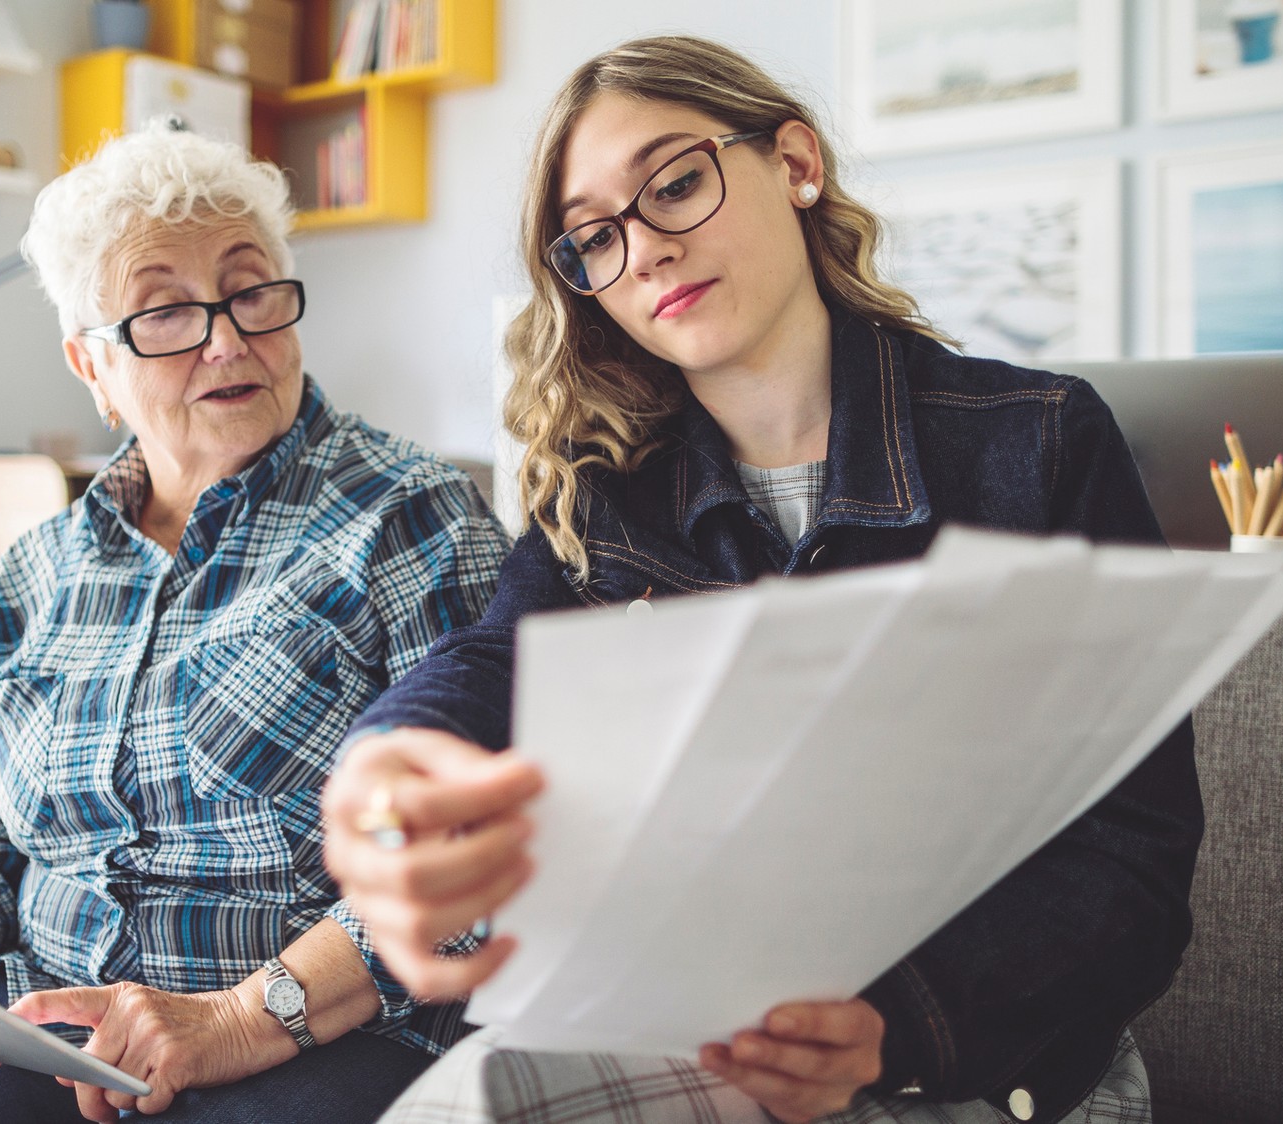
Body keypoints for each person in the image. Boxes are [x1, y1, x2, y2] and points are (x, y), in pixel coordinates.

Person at [321, 35, 1202, 1124]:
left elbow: (1132, 857)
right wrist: (387, 758)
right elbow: (500, 659)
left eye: (673, 184)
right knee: (484, 1091)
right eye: (596, 236)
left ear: (794, 164)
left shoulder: (1038, 441)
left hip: (978, 1059)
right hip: (708, 1036)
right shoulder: (608, 491)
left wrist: (892, 1023)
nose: (645, 251)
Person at [0, 121, 509, 1124]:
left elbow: (474, 852)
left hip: (306, 1028)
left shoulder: (409, 516)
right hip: (50, 1021)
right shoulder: (33, 573)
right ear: (90, 366)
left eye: (250, 290)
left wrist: (237, 1018)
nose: (228, 339)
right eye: (165, 311)